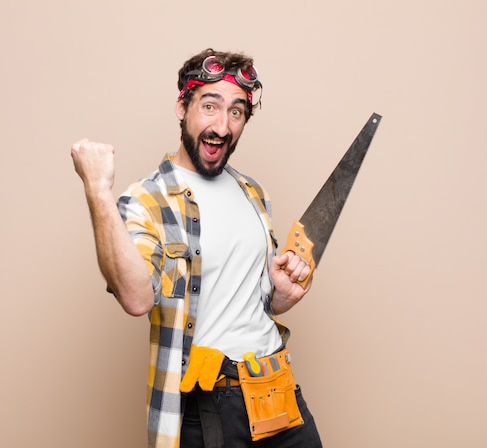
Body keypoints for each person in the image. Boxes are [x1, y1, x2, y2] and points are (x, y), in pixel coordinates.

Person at [71, 48, 323, 448]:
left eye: (237, 112)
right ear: (181, 107)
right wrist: (98, 192)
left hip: (275, 385)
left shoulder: (252, 192)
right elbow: (136, 298)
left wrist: (280, 295)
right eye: (210, 106)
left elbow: (248, 301)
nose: (222, 126)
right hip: (212, 403)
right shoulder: (146, 201)